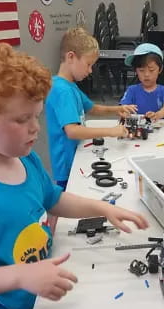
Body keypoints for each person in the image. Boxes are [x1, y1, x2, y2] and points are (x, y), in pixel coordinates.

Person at [0, 43, 149, 309]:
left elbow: (53, 199)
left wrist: (100, 207)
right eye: (22, 119)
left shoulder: (25, 160)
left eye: (36, 115)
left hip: (40, 294)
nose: (36, 128)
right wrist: (21, 276)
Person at [45, 27, 137, 190]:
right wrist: (110, 131)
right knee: (67, 203)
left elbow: (92, 108)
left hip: (76, 155)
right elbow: (72, 131)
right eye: (88, 65)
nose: (89, 71)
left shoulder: (69, 85)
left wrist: (116, 109)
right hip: (67, 165)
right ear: (71, 57)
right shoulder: (63, 90)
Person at [120, 43, 164, 121]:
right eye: (141, 70)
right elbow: (123, 108)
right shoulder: (132, 90)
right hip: (137, 128)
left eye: (151, 70)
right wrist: (124, 112)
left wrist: (158, 115)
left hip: (158, 127)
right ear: (136, 71)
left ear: (160, 69)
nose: (146, 74)